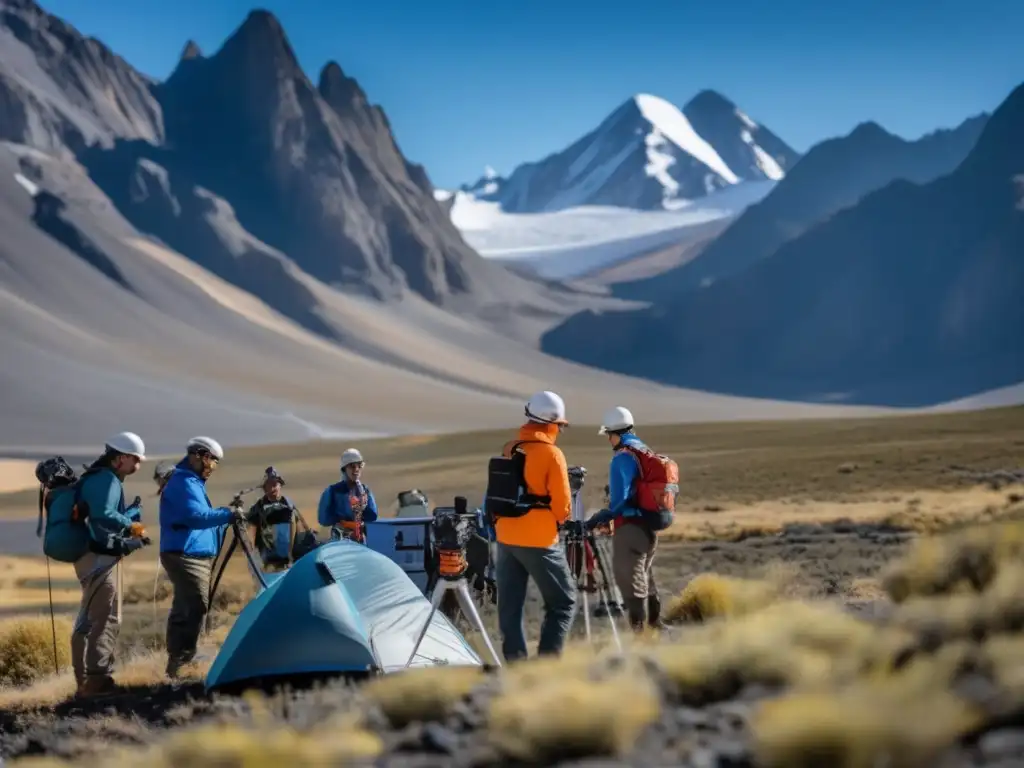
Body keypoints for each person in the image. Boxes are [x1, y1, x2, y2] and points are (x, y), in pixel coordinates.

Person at [493, 391, 577, 662]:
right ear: (551, 423)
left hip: (505, 536)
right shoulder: (553, 455)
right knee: (563, 603)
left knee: (510, 607)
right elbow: (563, 508)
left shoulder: (511, 448)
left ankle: (515, 664)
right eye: (560, 425)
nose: (560, 430)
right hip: (539, 540)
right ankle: (546, 667)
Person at [71, 431, 149, 697]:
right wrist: (132, 524)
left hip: (89, 555)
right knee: (106, 617)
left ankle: (83, 682)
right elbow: (103, 513)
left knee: (88, 619)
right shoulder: (107, 479)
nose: (137, 466)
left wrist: (127, 523)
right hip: (98, 557)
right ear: (120, 458)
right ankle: (97, 680)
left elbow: (101, 514)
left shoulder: (97, 478)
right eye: (135, 460)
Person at [159, 436, 244, 679]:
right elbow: (196, 517)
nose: (212, 469)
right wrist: (227, 514)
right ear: (198, 456)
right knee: (194, 605)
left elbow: (201, 518)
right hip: (185, 553)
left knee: (187, 606)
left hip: (189, 552)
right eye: (212, 462)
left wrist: (223, 518)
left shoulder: (191, 481)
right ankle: (182, 662)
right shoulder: (184, 481)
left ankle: (179, 662)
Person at [585, 407, 667, 632]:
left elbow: (620, 499)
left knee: (630, 582)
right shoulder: (643, 450)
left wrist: (603, 515)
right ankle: (655, 625)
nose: (608, 440)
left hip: (630, 528)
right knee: (645, 576)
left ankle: (640, 635)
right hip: (649, 527)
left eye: (608, 435)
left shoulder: (621, 458)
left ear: (614, 433)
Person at [244, 466, 302, 572]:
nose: (272, 489)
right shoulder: (258, 508)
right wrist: (253, 555)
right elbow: (250, 532)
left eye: (275, 485)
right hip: (267, 559)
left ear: (280, 485)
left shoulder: (289, 505)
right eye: (269, 486)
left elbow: (298, 529)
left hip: (290, 557)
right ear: (264, 488)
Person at [317, 448, 378, 543]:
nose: (356, 469)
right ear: (344, 469)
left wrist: (363, 508)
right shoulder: (333, 491)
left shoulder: (365, 490)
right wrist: (342, 520)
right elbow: (323, 519)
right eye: (352, 466)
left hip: (360, 537)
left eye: (359, 466)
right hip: (339, 538)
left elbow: (373, 516)